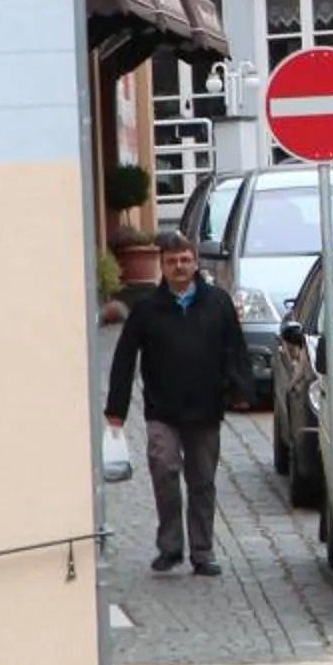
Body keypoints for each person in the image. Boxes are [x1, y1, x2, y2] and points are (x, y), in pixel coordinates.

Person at [103, 230, 253, 576]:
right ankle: (170, 546)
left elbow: (235, 349)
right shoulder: (146, 310)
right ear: (162, 267)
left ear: (195, 263)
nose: (180, 266)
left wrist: (241, 390)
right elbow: (125, 360)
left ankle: (202, 551)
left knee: (202, 482)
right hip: (162, 409)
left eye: (185, 260)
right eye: (172, 262)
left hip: (205, 408)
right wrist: (116, 412)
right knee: (164, 469)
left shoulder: (217, 302)